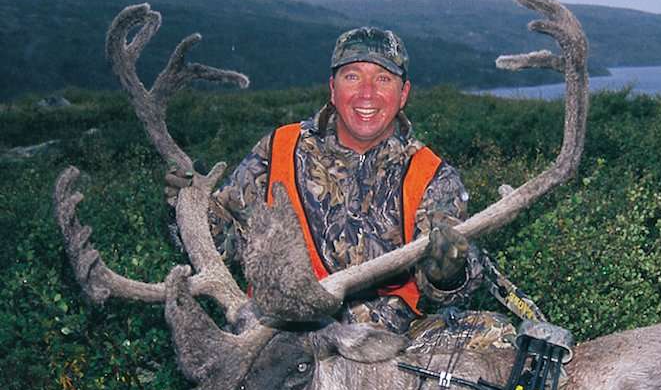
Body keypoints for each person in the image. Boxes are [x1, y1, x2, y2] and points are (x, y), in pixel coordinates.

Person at [167, 27, 481, 332]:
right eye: (352, 77)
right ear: (333, 88)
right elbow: (228, 241)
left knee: (492, 334)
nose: (367, 93)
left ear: (403, 94)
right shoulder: (280, 148)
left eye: (383, 79)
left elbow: (452, 286)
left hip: (388, 348)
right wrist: (188, 205)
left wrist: (449, 275)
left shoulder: (432, 175)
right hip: (284, 335)